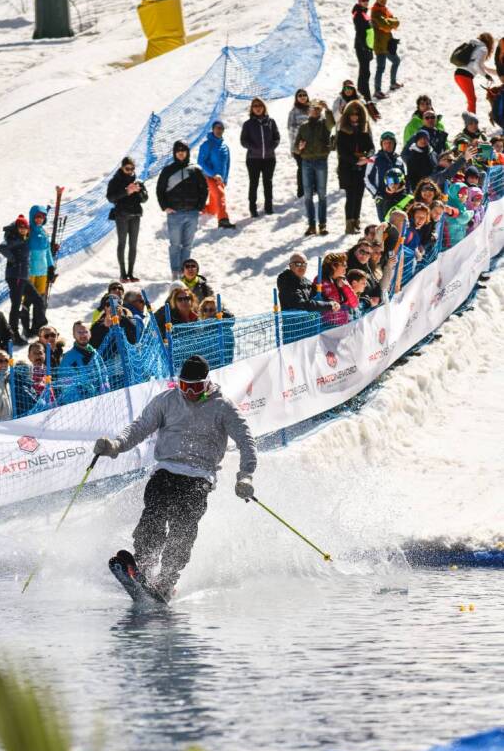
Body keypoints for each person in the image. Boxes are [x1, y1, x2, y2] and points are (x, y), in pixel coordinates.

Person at [93, 354, 257, 599]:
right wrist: (116, 445)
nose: (189, 393)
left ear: (207, 383)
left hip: (199, 476)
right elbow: (139, 427)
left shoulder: (222, 407)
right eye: (184, 386)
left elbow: (246, 441)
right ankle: (145, 568)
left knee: (183, 527)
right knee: (153, 516)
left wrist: (245, 476)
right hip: (166, 470)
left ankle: (167, 579)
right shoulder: (168, 401)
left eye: (196, 387)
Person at [156, 141, 208, 277]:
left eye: (183, 150)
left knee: (187, 245)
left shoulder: (196, 169)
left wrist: (199, 207)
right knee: (175, 244)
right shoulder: (168, 170)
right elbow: (160, 190)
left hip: (192, 213)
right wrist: (165, 206)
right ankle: (175, 272)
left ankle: (185, 273)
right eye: (178, 150)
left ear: (187, 152)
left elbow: (204, 189)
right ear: (174, 152)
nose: (181, 152)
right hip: (175, 213)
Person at [0, 214, 46, 344]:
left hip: (22, 276)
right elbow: (2, 247)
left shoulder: (23, 238)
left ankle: (36, 327)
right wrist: (13, 259)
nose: (23, 229)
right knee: (16, 305)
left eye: (25, 227)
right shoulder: (14, 238)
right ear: (17, 227)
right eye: (21, 227)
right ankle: (13, 335)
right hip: (15, 276)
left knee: (37, 299)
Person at [295, 99, 335, 236]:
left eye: (318, 109)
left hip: (321, 161)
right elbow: (295, 147)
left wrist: (328, 109)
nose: (315, 111)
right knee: (307, 196)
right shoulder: (303, 127)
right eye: (313, 108)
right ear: (308, 110)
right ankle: (311, 225)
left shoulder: (324, 124)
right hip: (306, 162)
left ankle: (322, 225)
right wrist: (299, 148)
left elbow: (332, 124)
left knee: (322, 195)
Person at [106, 156, 148, 281]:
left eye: (132, 168)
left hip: (135, 215)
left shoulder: (138, 181)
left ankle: (131, 273)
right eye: (127, 168)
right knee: (122, 243)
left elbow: (145, 199)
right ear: (122, 167)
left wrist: (139, 191)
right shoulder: (115, 181)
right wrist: (126, 191)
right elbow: (110, 197)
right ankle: (123, 274)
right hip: (122, 215)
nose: (129, 171)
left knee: (133, 245)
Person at [336, 100, 375, 234]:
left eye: (357, 114)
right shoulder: (342, 131)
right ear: (347, 115)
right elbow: (341, 152)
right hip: (348, 168)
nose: (355, 116)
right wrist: (356, 160)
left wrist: (367, 157)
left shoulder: (364, 130)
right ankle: (349, 223)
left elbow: (371, 147)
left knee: (359, 195)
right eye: (352, 114)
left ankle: (356, 220)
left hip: (362, 168)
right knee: (350, 196)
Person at [240, 97, 280, 217]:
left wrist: (271, 147)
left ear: (264, 107)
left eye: (260, 105)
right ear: (252, 109)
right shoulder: (248, 124)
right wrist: (253, 147)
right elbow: (243, 141)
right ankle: (253, 207)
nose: (257, 108)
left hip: (269, 158)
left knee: (268, 183)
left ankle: (269, 206)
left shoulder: (271, 122)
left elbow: (277, 137)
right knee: (254, 183)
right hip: (253, 159)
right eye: (255, 106)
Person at [197, 121, 235, 229]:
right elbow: (201, 162)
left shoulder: (225, 147)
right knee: (219, 195)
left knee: (213, 208)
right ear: (213, 129)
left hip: (220, 179)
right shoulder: (207, 144)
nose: (219, 130)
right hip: (209, 177)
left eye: (221, 128)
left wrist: (225, 179)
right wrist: (213, 174)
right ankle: (223, 220)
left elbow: (227, 164)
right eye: (217, 128)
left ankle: (199, 209)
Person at [276, 254, 341, 314]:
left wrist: (331, 302)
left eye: (304, 264)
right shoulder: (286, 282)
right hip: (293, 324)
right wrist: (328, 305)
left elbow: (319, 295)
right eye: (298, 264)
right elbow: (301, 304)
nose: (302, 267)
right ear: (290, 266)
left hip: (307, 323)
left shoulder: (306, 282)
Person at [59, 322, 109, 398]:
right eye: (79, 332)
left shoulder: (95, 353)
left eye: (86, 332)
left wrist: (105, 386)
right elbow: (65, 386)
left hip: (101, 398)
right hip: (81, 403)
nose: (83, 335)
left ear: (90, 334)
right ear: (73, 335)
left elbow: (103, 372)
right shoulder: (67, 358)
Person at [311, 253, 360, 327]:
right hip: (325, 325)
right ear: (334, 266)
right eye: (343, 265)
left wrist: (345, 287)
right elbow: (319, 301)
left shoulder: (342, 280)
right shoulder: (320, 280)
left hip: (343, 324)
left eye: (346, 265)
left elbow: (354, 303)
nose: (346, 267)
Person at [365, 131, 405, 217]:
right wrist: (376, 194)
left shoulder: (399, 160)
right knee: (385, 222)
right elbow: (367, 179)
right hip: (382, 197)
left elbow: (405, 178)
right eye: (385, 143)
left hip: (399, 196)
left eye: (390, 143)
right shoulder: (374, 159)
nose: (388, 145)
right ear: (381, 144)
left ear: (394, 144)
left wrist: (404, 191)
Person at [452, 34, 496, 114]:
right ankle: (472, 123)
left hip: (458, 74)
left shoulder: (475, 47)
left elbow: (483, 67)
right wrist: (486, 76)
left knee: (471, 99)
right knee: (472, 100)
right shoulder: (483, 49)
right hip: (464, 76)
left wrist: (500, 74)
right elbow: (477, 65)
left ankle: (471, 121)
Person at [371, 0, 402, 99]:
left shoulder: (385, 10)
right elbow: (385, 25)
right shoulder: (375, 12)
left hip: (387, 44)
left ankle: (393, 83)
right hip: (380, 45)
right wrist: (390, 23)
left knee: (396, 61)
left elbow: (396, 22)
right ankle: (377, 91)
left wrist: (390, 23)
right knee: (381, 68)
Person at [28, 205, 57, 303]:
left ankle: (38, 318)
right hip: (30, 271)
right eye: (37, 217)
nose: (39, 220)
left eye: (41, 217)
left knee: (40, 299)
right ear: (32, 217)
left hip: (43, 270)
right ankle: (25, 317)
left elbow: (48, 251)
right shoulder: (28, 232)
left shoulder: (44, 233)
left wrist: (51, 266)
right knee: (27, 298)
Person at [287, 89, 311, 197]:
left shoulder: (312, 109)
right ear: (296, 98)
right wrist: (303, 133)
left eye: (304, 95)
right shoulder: (293, 112)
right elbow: (290, 128)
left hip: (311, 146)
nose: (302, 97)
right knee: (302, 168)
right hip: (299, 146)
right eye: (300, 95)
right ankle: (301, 191)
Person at [352, 0, 373, 102]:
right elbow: (360, 33)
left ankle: (361, 94)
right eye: (363, 0)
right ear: (359, 1)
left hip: (366, 46)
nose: (366, 2)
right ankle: (366, 97)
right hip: (362, 47)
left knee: (365, 72)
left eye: (367, 0)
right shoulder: (359, 14)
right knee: (365, 72)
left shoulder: (364, 13)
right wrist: (365, 48)